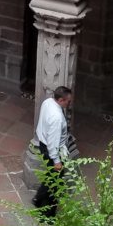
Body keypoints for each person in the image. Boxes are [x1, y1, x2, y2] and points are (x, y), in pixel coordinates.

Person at [32, 85, 73, 217]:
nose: (69, 103)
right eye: (68, 101)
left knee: (51, 177)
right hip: (52, 150)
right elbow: (53, 142)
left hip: (43, 144)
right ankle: (48, 214)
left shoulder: (47, 102)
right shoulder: (56, 118)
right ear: (61, 100)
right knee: (56, 184)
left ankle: (38, 199)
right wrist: (56, 160)